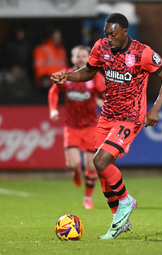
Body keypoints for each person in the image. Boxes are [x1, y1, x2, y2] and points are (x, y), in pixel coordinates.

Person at [51, 13, 162, 239]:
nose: (108, 38)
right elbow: (88, 72)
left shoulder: (143, 53)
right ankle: (119, 219)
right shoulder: (101, 47)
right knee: (102, 171)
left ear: (126, 32)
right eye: (106, 33)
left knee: (99, 161)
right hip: (107, 115)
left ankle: (127, 200)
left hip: (130, 117)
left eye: (113, 34)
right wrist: (67, 76)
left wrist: (155, 108)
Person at [48, 45, 105, 209]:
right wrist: (52, 110)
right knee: (73, 164)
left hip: (91, 126)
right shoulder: (66, 75)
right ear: (72, 59)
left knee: (91, 165)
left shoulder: (95, 77)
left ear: (89, 58)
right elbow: (53, 91)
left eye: (84, 56)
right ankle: (75, 171)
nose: (81, 59)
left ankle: (87, 198)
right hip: (72, 126)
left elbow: (105, 93)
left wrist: (101, 101)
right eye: (77, 56)